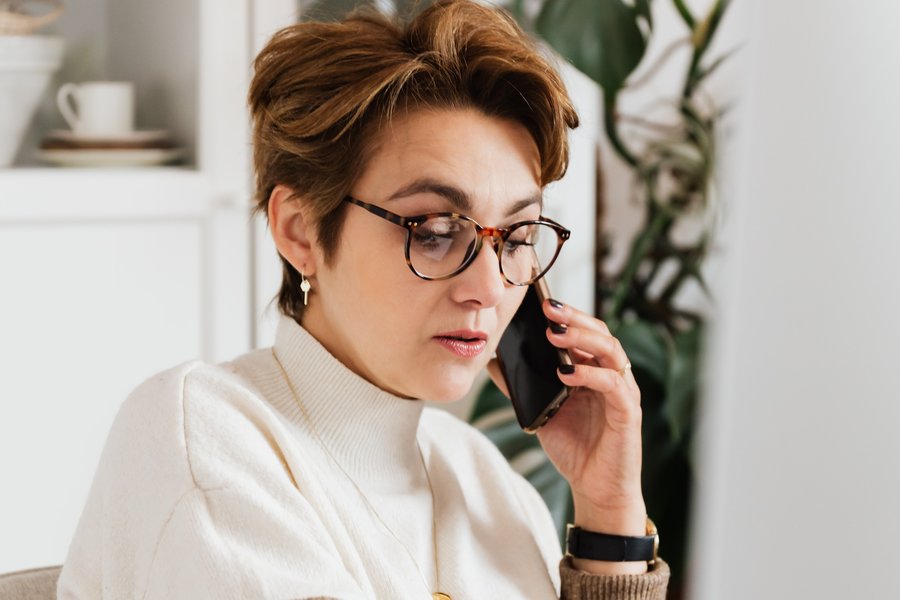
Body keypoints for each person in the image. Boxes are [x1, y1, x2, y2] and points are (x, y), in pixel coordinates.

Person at [57, 1, 669, 598]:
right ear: (299, 229)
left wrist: (608, 514)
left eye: (518, 237)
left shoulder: (484, 480)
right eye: (433, 231)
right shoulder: (200, 436)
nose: (489, 287)